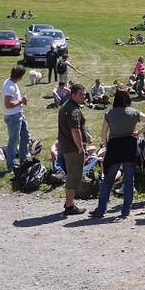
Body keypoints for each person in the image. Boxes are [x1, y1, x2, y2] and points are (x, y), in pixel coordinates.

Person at [90, 91, 145, 219]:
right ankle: (125, 211)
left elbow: (103, 133)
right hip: (130, 147)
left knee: (109, 179)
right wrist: (138, 132)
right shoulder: (134, 112)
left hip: (115, 146)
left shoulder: (109, 113)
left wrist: (106, 145)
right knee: (129, 179)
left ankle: (101, 209)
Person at [57, 83, 89, 216]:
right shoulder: (73, 110)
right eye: (81, 94)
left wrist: (87, 136)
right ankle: (69, 206)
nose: (84, 96)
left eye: (84, 93)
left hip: (66, 146)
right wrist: (80, 147)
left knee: (72, 173)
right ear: (73, 95)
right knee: (74, 175)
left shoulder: (67, 106)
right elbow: (75, 131)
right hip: (73, 148)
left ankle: (68, 202)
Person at [2, 65, 30, 175]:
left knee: (25, 136)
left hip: (18, 114)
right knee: (13, 141)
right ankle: (11, 165)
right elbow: (8, 104)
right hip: (13, 117)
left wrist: (20, 101)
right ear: (21, 76)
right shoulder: (10, 86)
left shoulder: (12, 84)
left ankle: (24, 159)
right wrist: (21, 101)